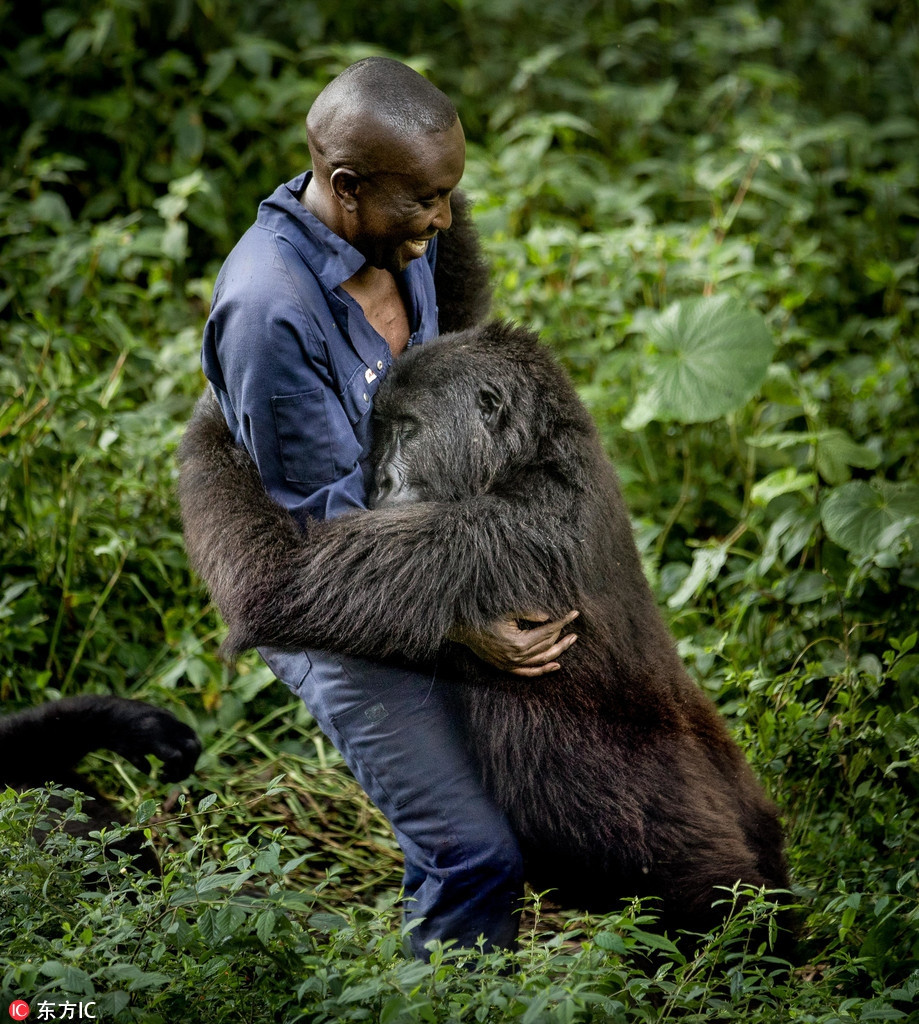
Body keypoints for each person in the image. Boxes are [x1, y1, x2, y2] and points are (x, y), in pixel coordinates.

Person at [198, 57, 577, 958]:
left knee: (527, 812)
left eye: (450, 197)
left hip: (419, 550)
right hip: (332, 598)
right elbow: (326, 535)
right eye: (424, 202)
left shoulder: (401, 231)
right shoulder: (269, 311)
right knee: (471, 853)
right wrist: (465, 624)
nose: (443, 221)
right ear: (344, 186)